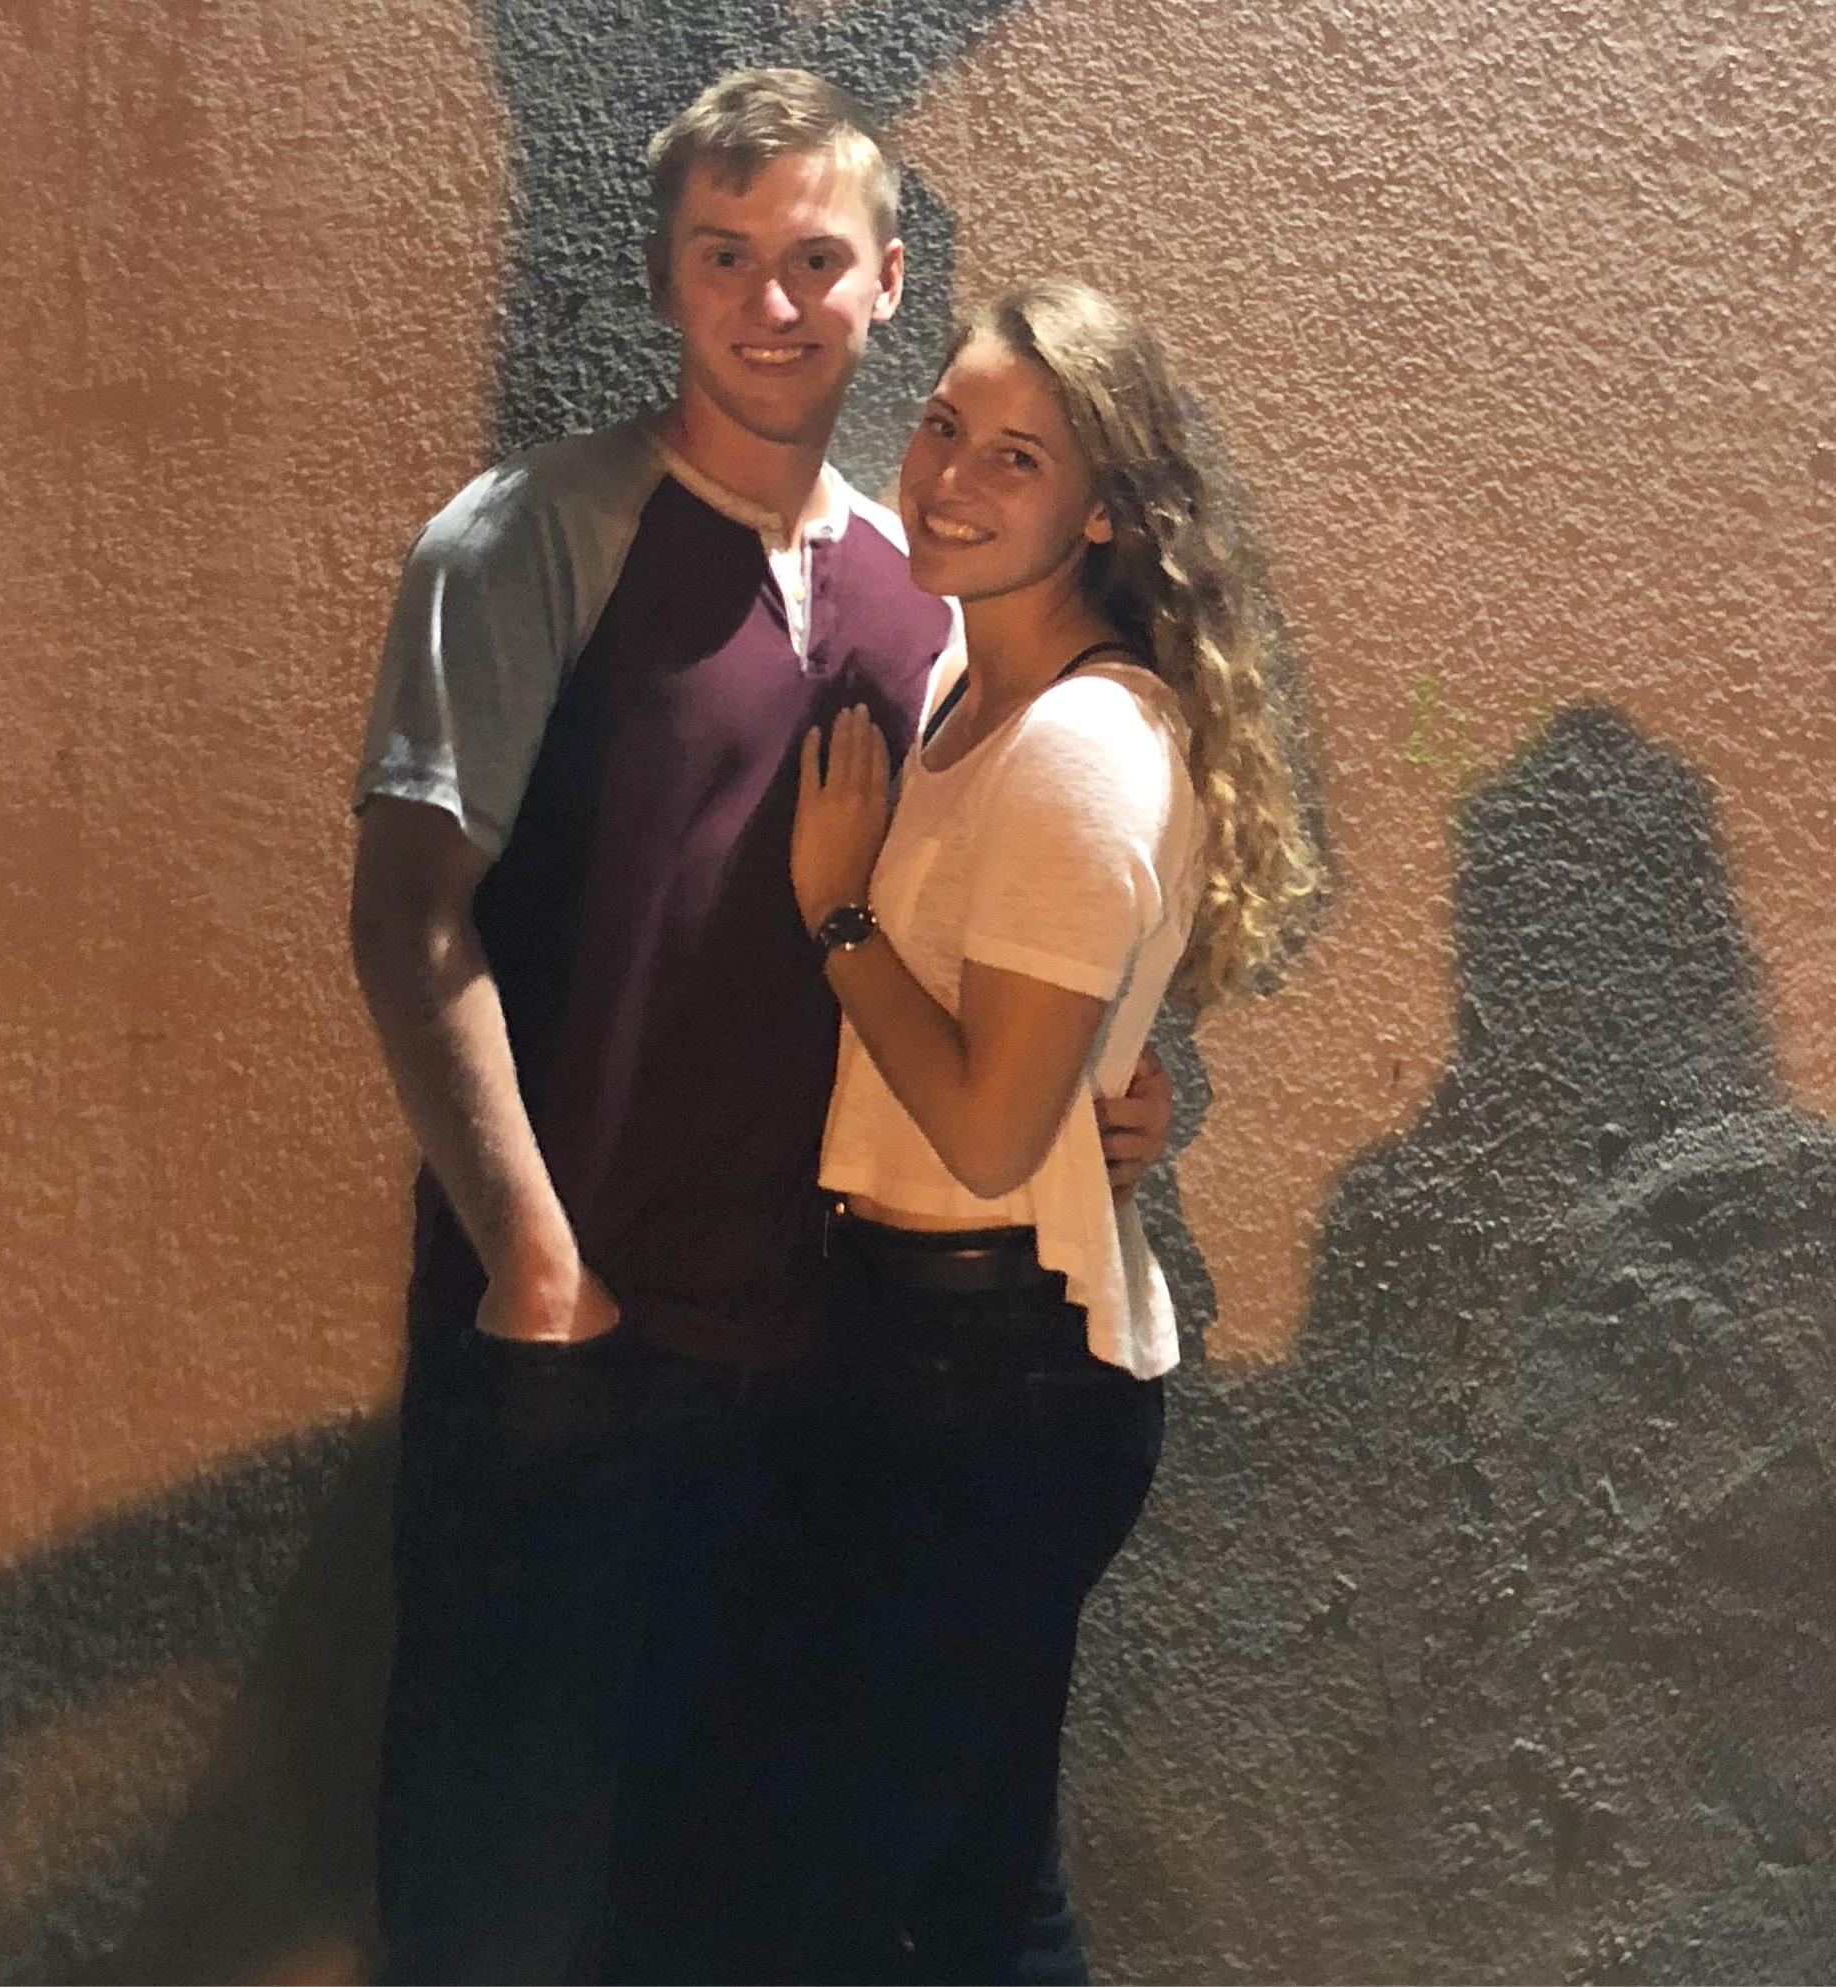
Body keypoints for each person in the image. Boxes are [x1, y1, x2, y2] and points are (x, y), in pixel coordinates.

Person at [348, 75, 1174, 1983]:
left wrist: (1104, 1100)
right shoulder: (525, 535)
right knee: (494, 1887)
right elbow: (408, 917)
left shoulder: (925, 587)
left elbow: (1007, 924)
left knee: (699, 1902)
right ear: (664, 278)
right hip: (569, 1344)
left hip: (821, 1374)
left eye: (815, 257)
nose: (773, 302)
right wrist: (534, 1265)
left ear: (888, 282)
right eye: (725, 256)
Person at [773, 277, 1323, 1983]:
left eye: (1017, 455)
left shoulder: (1082, 742)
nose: (950, 473)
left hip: (995, 1379)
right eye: (945, 424)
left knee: (826, 1895)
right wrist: (1118, 1108)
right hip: (932, 1343)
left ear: (1102, 511)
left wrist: (837, 920)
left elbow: (992, 1130)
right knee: (980, 1895)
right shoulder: (967, 680)